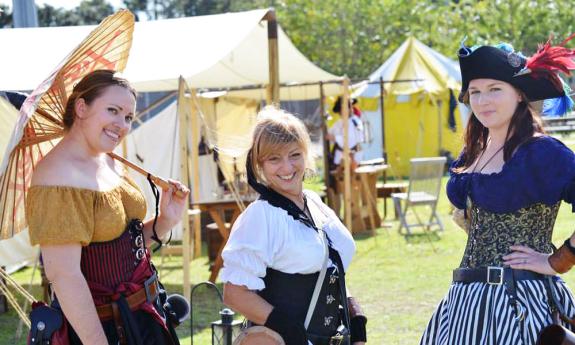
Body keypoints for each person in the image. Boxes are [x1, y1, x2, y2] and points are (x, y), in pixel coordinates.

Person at [420, 38, 575, 345]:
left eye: (494, 89)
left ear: (520, 94)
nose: (482, 101)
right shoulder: (472, 154)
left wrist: (557, 261)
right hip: (464, 306)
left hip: (521, 304)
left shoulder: (542, 152)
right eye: (475, 92)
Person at [26, 69, 189, 345]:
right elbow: (65, 276)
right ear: (81, 107)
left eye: (128, 117)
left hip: (146, 315)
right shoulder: (56, 176)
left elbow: (122, 244)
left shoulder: (110, 159)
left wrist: (165, 221)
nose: (122, 124)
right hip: (101, 328)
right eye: (112, 110)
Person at [221, 107, 368, 345]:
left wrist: (355, 314)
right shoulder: (261, 216)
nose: (287, 168)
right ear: (260, 164)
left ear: (306, 153)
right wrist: (290, 331)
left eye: (294, 155)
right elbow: (235, 294)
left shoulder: (314, 203)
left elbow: (328, 266)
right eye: (274, 159)